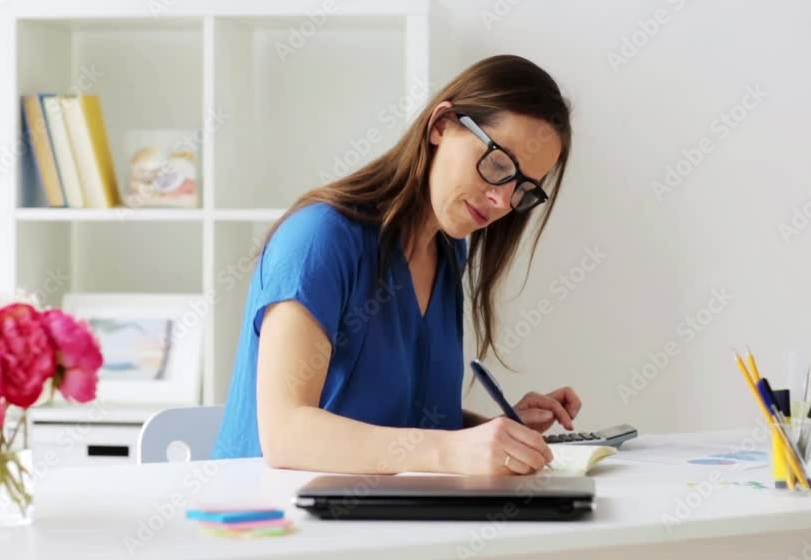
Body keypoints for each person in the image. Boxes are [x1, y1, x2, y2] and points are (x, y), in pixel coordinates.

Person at [213, 54, 580, 476]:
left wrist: (498, 433)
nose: (502, 201)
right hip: (269, 522)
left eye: (524, 189)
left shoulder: (446, 252)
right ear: (442, 125)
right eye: (499, 165)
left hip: (372, 517)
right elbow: (286, 435)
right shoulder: (319, 239)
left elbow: (396, 425)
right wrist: (454, 451)